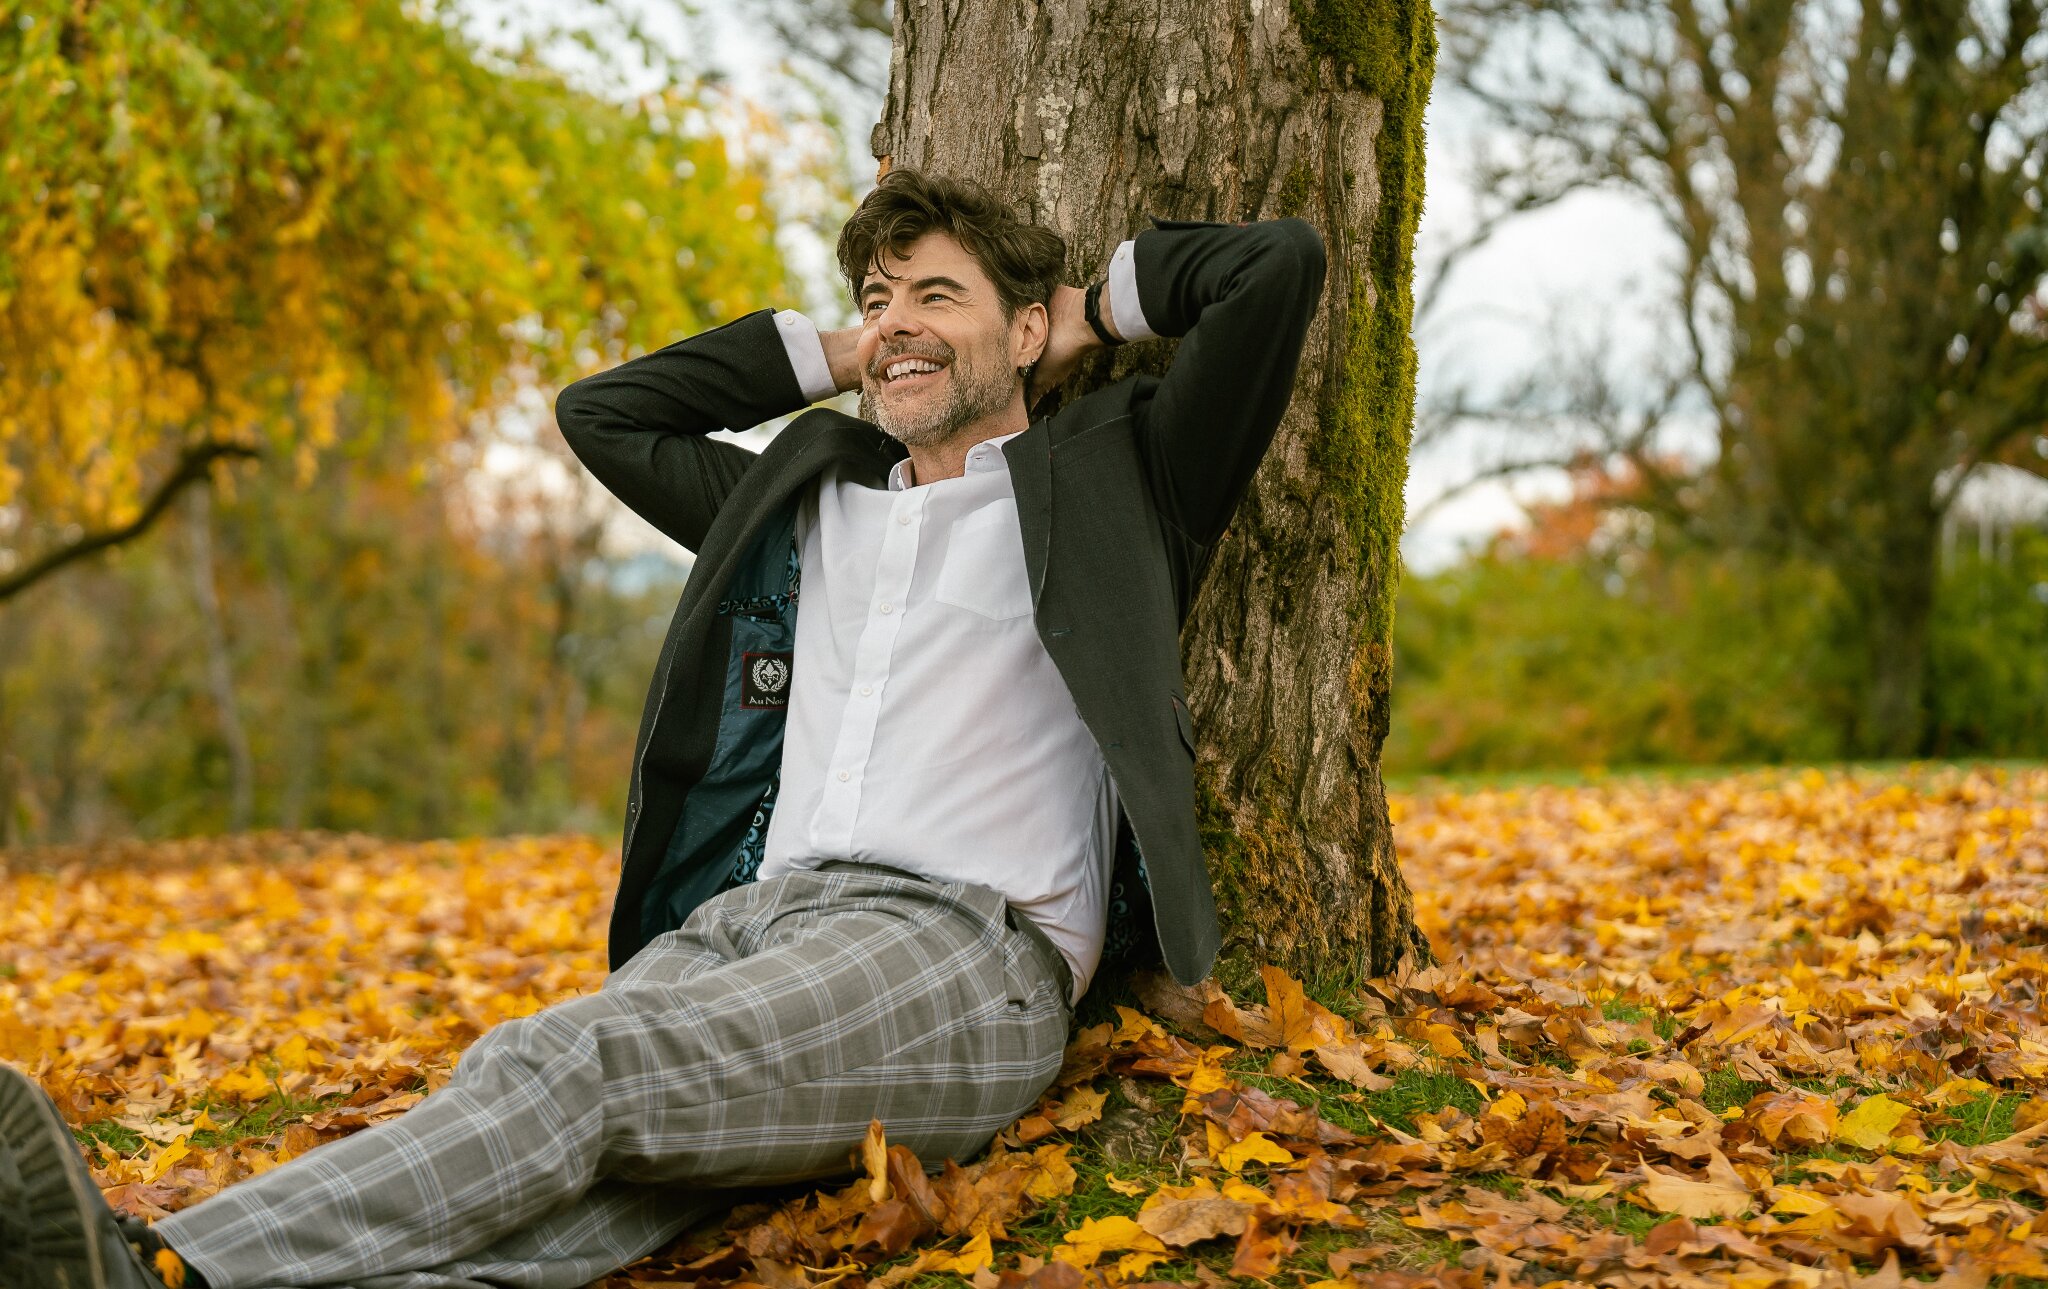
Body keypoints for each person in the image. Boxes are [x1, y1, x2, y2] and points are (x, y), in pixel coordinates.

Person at [0, 168, 1326, 1289]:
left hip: (964, 955)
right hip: (753, 928)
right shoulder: (805, 506)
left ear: (1027, 331)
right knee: (578, 1210)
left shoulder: (1122, 481)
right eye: (878, 297)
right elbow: (605, 412)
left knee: (571, 1057)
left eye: (937, 295)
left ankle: (149, 1268)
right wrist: (846, 350)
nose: (897, 324)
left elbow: (1276, 269)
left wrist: (1090, 307)